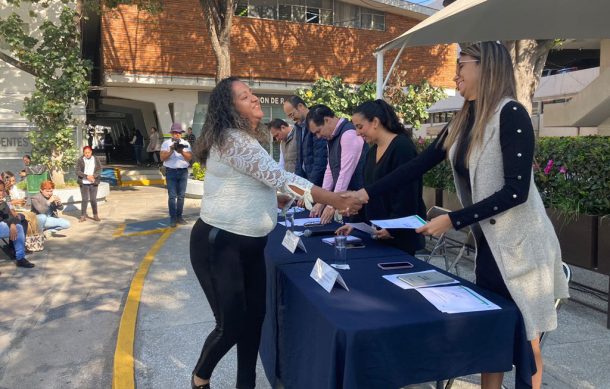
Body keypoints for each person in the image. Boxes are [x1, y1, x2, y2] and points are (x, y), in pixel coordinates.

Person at [347, 42, 569, 389]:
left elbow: (516, 191)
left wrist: (453, 219)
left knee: (528, 339)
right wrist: (365, 193)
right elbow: (419, 163)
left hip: (522, 248)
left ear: (486, 66)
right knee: (489, 332)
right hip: (490, 246)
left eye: (461, 64)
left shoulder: (512, 114)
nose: (455, 74)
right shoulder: (464, 118)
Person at [189, 77, 362, 389]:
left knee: (255, 320)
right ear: (229, 109)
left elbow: (259, 183)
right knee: (231, 325)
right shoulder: (233, 140)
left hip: (251, 243)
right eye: (244, 97)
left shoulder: (245, 139)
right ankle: (200, 378)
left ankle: (247, 384)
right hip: (220, 243)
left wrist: (274, 198)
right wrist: (335, 199)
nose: (254, 99)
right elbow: (281, 178)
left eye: (251, 93)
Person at [335, 100, 426, 255]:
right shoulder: (371, 152)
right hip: (377, 234)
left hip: (399, 236)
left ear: (375, 122)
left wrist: (393, 229)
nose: (357, 133)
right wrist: (356, 224)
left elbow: (407, 194)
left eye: (359, 127)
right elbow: (368, 192)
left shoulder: (402, 147)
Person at [306, 104, 368, 224]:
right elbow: (330, 169)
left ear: (327, 120)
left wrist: (331, 204)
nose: (318, 136)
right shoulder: (332, 138)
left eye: (318, 131)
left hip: (359, 201)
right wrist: (322, 200)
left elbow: (345, 173)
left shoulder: (348, 134)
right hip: (347, 200)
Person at [283, 96, 327, 186]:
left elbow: (320, 159)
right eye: (289, 116)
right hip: (306, 182)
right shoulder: (298, 127)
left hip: (319, 183)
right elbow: (299, 160)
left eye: (292, 114)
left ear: (300, 106)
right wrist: (300, 185)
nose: (292, 119)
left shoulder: (316, 121)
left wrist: (309, 187)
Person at [160, 123, 192, 227]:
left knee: (181, 196)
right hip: (171, 172)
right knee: (172, 196)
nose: (177, 134)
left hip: (183, 172)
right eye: (175, 132)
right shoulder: (166, 143)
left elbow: (189, 158)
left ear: (181, 134)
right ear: (171, 133)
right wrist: (171, 150)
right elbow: (162, 158)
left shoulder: (185, 143)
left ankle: (179, 217)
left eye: (179, 133)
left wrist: (181, 151)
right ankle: (173, 218)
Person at [0, 179, 34, 268]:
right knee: (19, 224)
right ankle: (16, 251)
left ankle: (17, 252)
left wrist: (13, 222)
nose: (12, 183)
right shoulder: (5, 197)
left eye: (13, 180)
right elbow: (10, 205)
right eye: (10, 181)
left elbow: (9, 210)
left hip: (8, 218)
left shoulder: (5, 196)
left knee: (22, 221)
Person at [76, 146, 102, 222]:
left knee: (93, 199)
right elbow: (77, 171)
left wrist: (93, 176)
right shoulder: (80, 159)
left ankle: (95, 215)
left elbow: (99, 169)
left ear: (91, 152)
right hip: (84, 182)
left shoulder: (96, 159)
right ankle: (83, 216)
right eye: (85, 153)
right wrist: (87, 176)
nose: (87, 154)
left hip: (94, 182)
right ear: (83, 153)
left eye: (88, 152)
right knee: (84, 199)